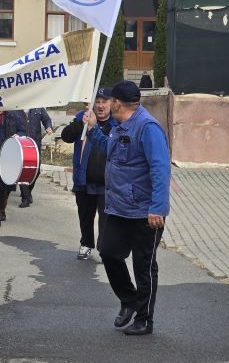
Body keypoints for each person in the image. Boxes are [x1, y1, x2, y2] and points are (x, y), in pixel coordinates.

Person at [86, 80, 170, 336]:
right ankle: (129, 299)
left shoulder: (148, 128)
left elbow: (161, 169)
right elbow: (111, 151)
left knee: (143, 266)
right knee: (109, 252)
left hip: (145, 213)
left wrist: (157, 208)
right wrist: (92, 131)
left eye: (110, 100)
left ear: (117, 103)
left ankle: (145, 319)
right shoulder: (119, 126)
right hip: (119, 209)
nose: (106, 104)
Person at [62, 88, 116, 259]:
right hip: (84, 179)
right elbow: (66, 136)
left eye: (104, 102)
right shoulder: (82, 118)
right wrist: (80, 124)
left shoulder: (117, 123)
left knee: (106, 218)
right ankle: (86, 243)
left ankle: (104, 248)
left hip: (107, 182)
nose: (100, 106)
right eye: (97, 102)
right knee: (85, 216)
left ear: (111, 103)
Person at [19, 107, 53, 208]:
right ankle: (25, 197)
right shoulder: (17, 108)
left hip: (35, 144)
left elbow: (46, 119)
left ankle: (28, 190)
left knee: (36, 170)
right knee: (22, 170)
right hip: (21, 143)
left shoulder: (38, 108)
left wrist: (48, 127)